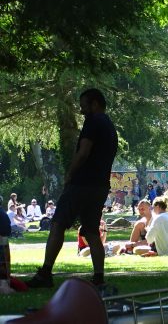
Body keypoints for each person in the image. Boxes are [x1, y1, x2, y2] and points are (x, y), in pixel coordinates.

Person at [27, 88, 118, 290]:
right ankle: (99, 277)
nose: (81, 110)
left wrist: (70, 173)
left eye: (84, 106)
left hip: (82, 183)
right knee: (92, 231)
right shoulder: (110, 127)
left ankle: (45, 273)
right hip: (100, 185)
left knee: (58, 224)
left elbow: (84, 151)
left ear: (95, 104)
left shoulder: (93, 122)